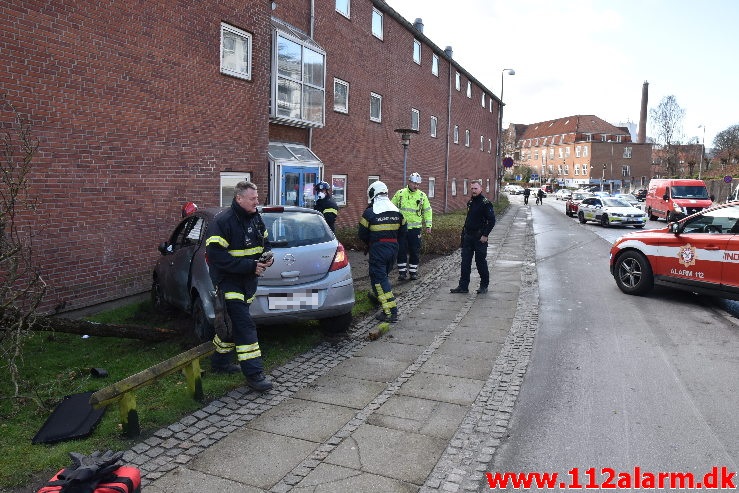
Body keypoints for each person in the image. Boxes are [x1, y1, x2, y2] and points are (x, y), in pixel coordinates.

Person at [205, 181, 275, 392]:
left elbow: (266, 244)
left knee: (232, 325)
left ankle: (219, 362)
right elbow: (216, 256)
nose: (257, 201)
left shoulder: (255, 218)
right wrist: (250, 266)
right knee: (245, 326)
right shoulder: (223, 222)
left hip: (248, 282)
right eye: (253, 198)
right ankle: (254, 374)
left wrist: (267, 259)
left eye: (256, 198)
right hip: (228, 281)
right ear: (239, 198)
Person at [359, 181, 407, 323]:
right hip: (393, 249)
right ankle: (377, 296)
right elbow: (403, 232)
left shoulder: (369, 212)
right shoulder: (398, 212)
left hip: (378, 250)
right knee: (381, 276)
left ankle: (391, 312)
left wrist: (372, 242)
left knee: (380, 279)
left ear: (373, 194)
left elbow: (362, 234)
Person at [451, 179, 496, 295]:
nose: (473, 191)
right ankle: (463, 286)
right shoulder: (470, 202)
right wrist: (463, 235)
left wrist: (485, 235)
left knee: (480, 262)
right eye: (472, 189)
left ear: (481, 189)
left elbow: (492, 221)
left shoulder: (485, 203)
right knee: (465, 263)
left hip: (479, 238)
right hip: (468, 237)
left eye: (476, 188)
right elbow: (468, 220)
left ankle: (484, 285)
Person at [391, 172, 432, 281]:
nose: (416, 186)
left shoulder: (422, 196)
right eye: (414, 183)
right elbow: (392, 207)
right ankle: (402, 273)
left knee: (415, 250)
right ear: (409, 182)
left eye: (418, 184)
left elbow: (427, 211)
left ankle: (413, 272)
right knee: (401, 250)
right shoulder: (400, 194)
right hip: (401, 229)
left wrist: (428, 225)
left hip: (415, 229)